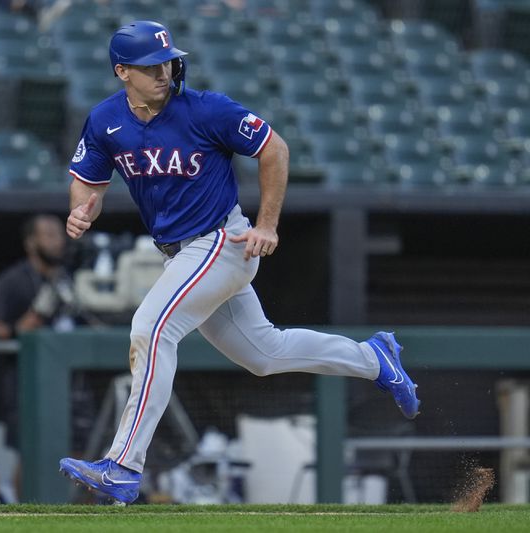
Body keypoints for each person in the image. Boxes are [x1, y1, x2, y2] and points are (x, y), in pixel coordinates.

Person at [58, 20, 421, 505]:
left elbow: (274, 149)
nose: (164, 72)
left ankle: (123, 465)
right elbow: (89, 180)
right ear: (123, 72)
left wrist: (268, 224)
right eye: (150, 67)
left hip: (221, 241)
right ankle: (373, 359)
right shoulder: (106, 119)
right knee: (264, 354)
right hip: (182, 253)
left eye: (167, 61)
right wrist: (83, 208)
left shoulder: (207, 109)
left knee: (151, 328)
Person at [0, 214, 78, 340]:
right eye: (50, 235)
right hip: (26, 356)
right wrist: (18, 329)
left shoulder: (71, 277)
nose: (58, 241)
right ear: (30, 243)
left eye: (61, 235)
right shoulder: (11, 280)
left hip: (68, 352)